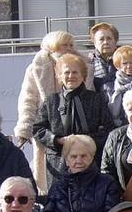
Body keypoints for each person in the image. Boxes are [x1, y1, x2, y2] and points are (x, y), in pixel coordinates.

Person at [15, 31, 85, 190]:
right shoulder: (36, 69)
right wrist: (24, 129)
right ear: (51, 48)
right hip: (47, 129)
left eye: (70, 45)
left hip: (76, 130)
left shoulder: (83, 65)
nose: (67, 49)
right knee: (47, 179)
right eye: (63, 45)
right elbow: (28, 100)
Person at [33, 53, 113, 183]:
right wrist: (57, 140)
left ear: (83, 75)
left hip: (90, 161)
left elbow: (109, 128)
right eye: (66, 72)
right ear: (59, 76)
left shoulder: (95, 99)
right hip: (58, 162)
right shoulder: (51, 101)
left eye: (75, 72)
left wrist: (87, 142)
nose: (71, 76)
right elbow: (37, 129)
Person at [42, 135, 120, 212]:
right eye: (73, 156)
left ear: (92, 157)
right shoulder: (57, 187)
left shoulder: (107, 183)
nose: (78, 161)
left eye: (84, 156)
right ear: (66, 160)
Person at [106, 45, 132, 129]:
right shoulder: (108, 87)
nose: (129, 66)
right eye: (125, 63)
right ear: (118, 65)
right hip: (115, 128)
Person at [87, 22, 119, 99]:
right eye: (101, 39)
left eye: (109, 38)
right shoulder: (88, 63)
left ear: (115, 41)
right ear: (94, 43)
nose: (105, 42)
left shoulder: (125, 60)